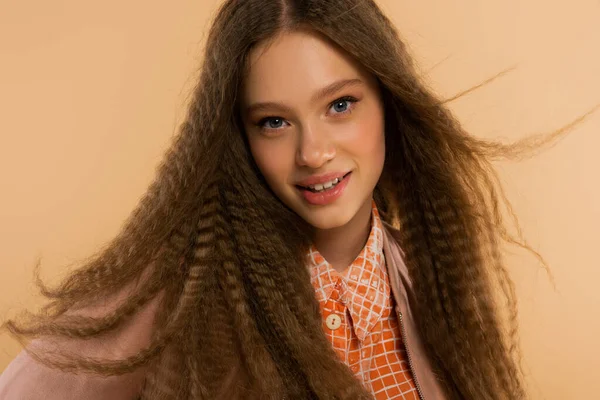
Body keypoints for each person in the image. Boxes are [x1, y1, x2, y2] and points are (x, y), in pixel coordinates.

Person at [1, 0, 588, 399]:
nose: (314, 152)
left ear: (387, 102)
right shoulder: (183, 294)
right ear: (239, 139)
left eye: (340, 105)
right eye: (274, 121)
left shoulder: (431, 280)